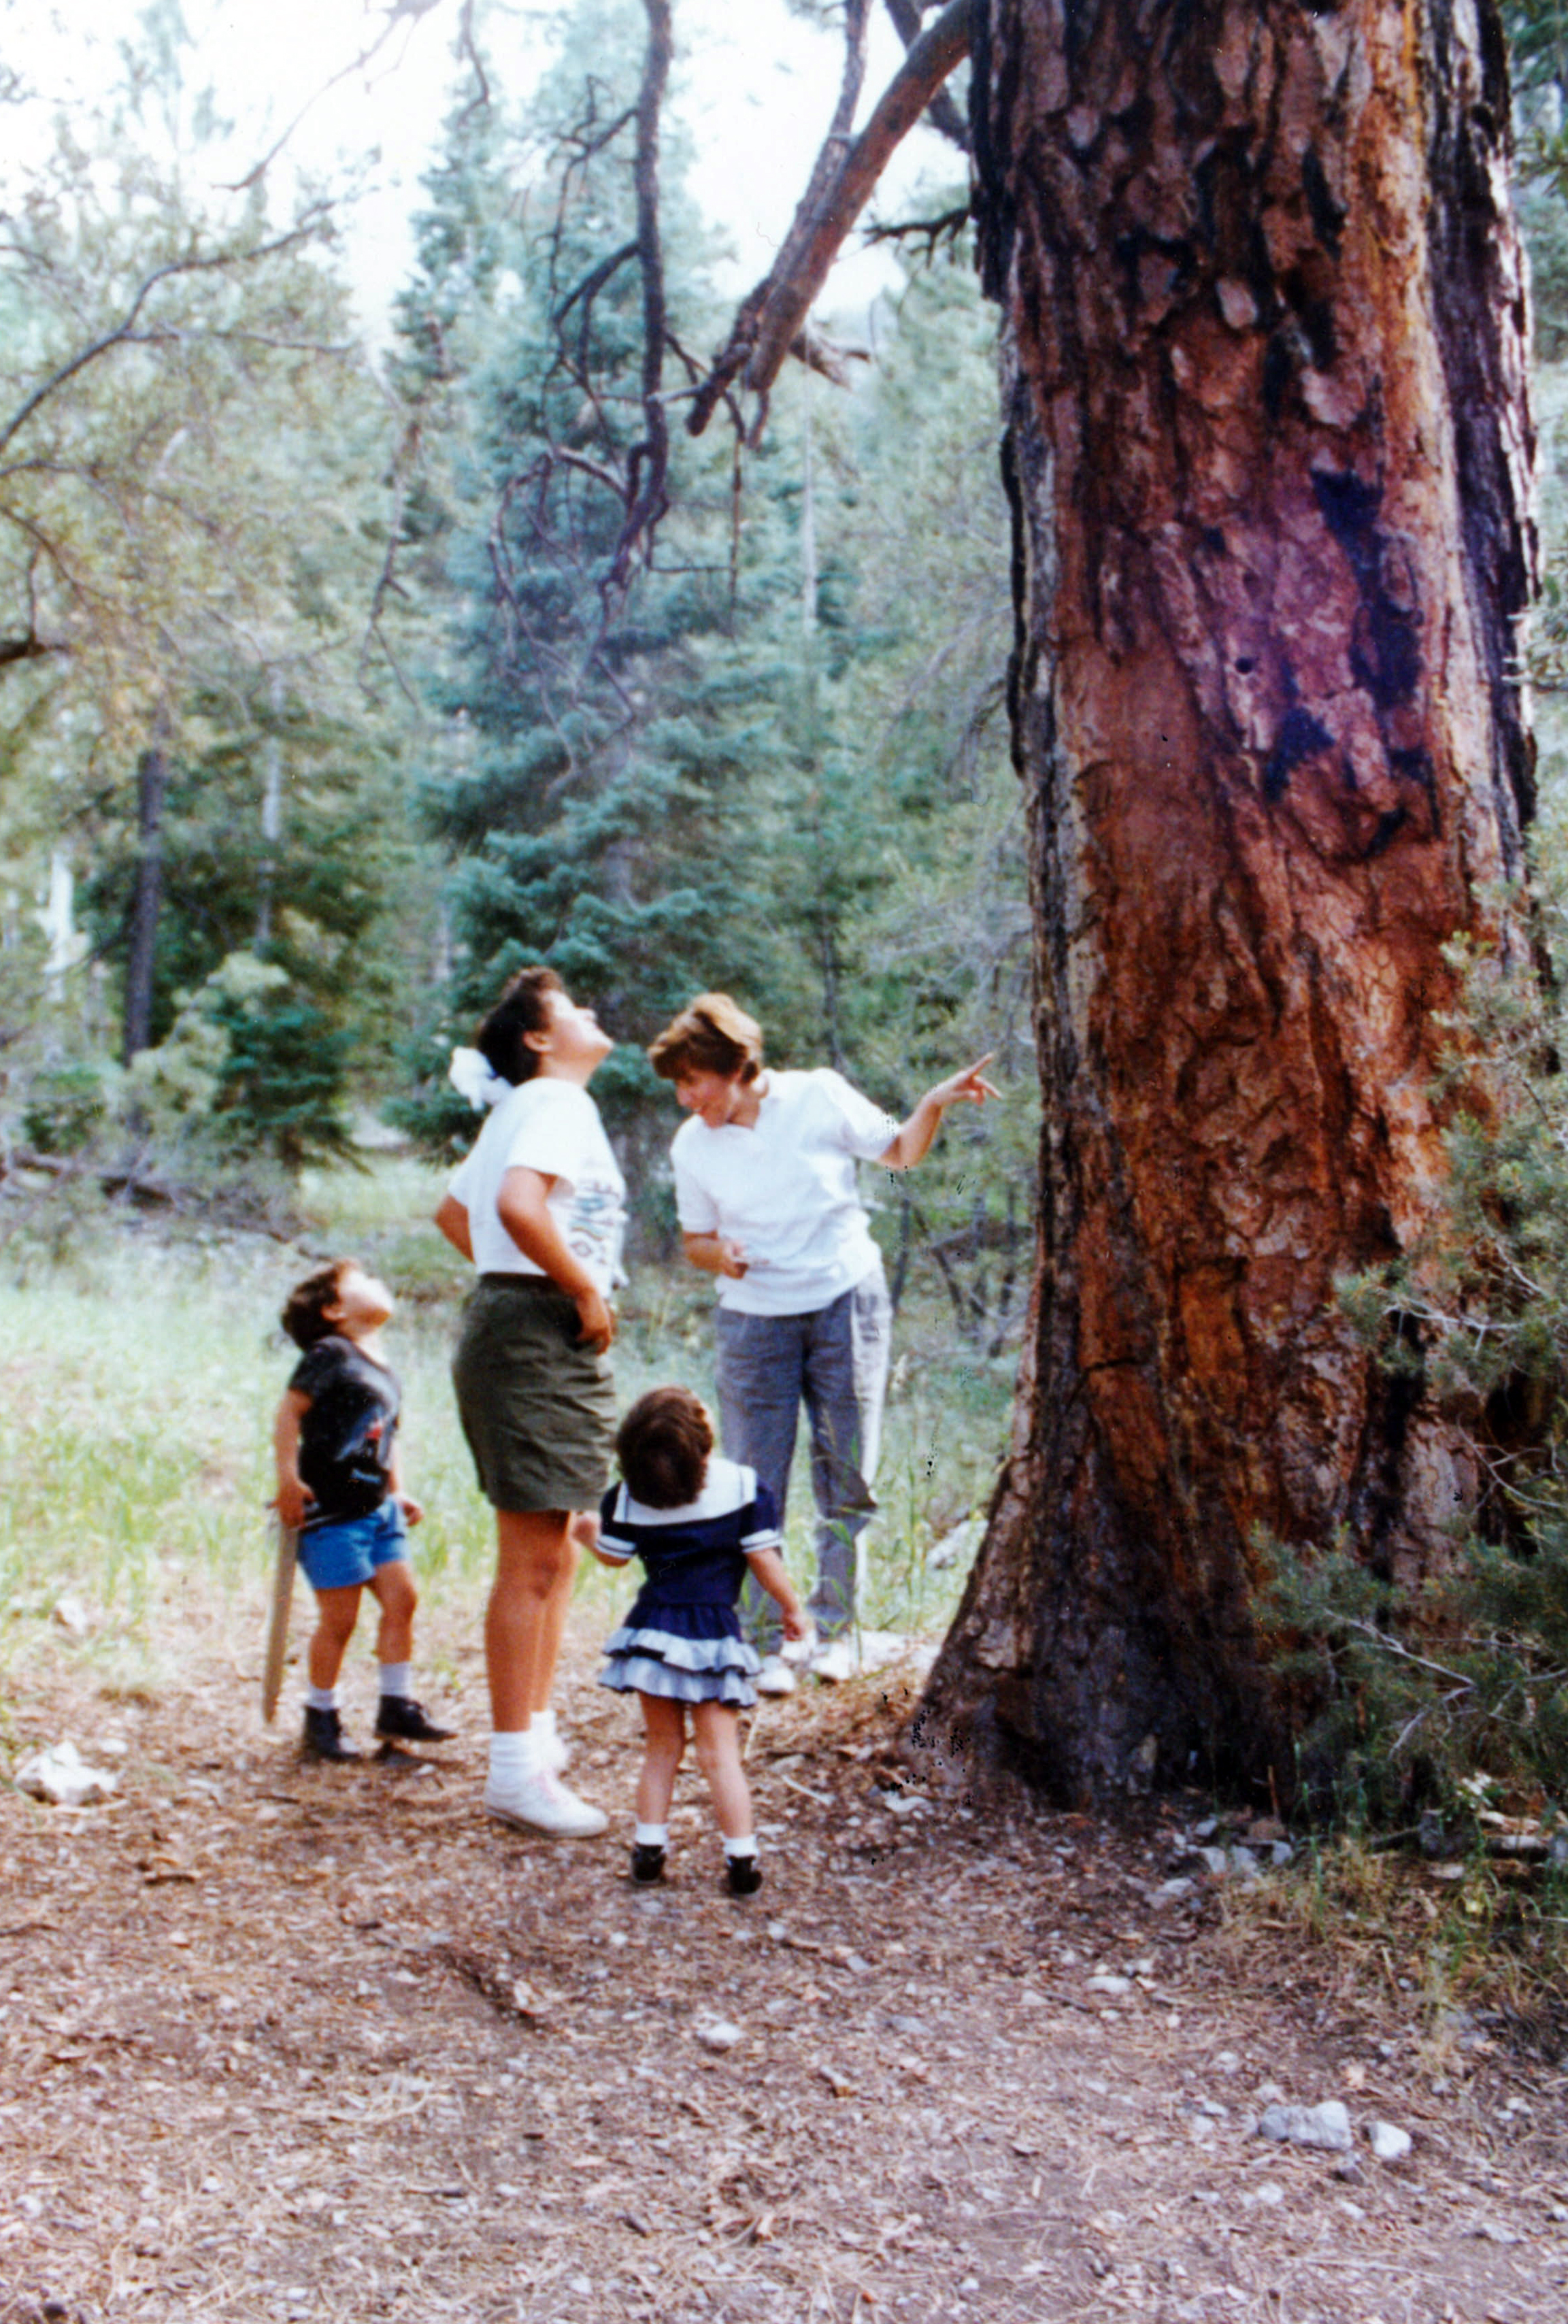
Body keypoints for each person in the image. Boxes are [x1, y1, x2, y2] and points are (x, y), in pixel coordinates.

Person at [648, 994, 998, 1691]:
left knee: (847, 1476)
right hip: (753, 1320)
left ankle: (836, 1630)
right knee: (753, 1482)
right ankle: (767, 1638)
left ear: (736, 1065)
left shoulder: (816, 1095)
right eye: (679, 1086)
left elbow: (898, 1151)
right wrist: (724, 1255)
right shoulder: (692, 1143)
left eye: (696, 1080)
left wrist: (931, 1102)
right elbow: (694, 1241)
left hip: (845, 1302)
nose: (688, 1098)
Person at [434, 965, 625, 1840]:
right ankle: (513, 1771)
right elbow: (512, 1204)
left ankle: (536, 1737)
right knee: (532, 1558)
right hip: (537, 1328)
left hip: (523, 1321)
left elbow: (453, 1211)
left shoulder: (521, 1110)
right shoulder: (555, 1103)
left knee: (554, 1545)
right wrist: (580, 1288)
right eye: (570, 1008)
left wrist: (524, 1286)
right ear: (540, 1039)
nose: (590, 1013)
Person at [588, 1386, 805, 1894]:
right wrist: (792, 1609)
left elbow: (614, 1556)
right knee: (720, 1755)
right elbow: (763, 1560)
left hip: (654, 1632)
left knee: (661, 1748)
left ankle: (647, 1852)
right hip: (711, 1635)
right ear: (703, 1449)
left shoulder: (628, 1496)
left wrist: (584, 1536)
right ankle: (741, 1860)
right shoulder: (742, 1487)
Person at [273, 1259, 452, 1762]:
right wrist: (288, 1477)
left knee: (403, 1600)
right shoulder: (331, 1353)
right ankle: (320, 1717)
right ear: (333, 1309)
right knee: (340, 1618)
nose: (377, 1282)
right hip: (332, 1510)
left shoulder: (381, 1365)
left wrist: (399, 1489)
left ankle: (396, 1707)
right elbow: (289, 1413)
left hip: (378, 1509)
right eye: (361, 1281)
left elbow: (384, 1434)